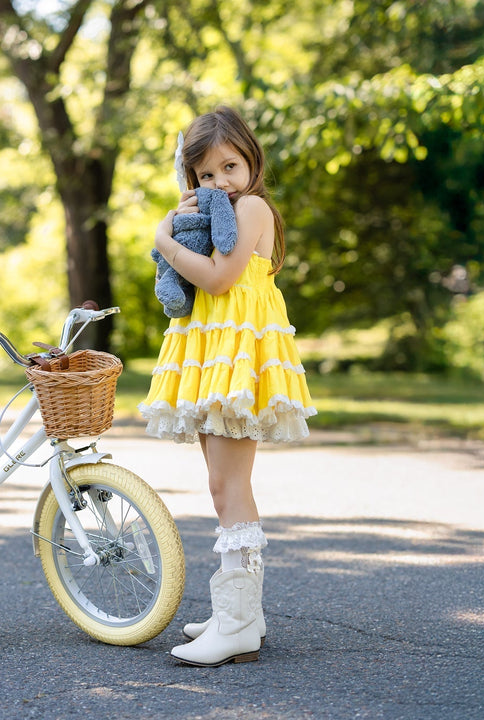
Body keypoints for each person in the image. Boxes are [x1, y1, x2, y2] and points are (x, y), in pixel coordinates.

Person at [139, 106, 316, 667]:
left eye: (230, 167)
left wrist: (164, 240)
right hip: (215, 352)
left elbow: (218, 279)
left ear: (251, 161)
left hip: (239, 359)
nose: (220, 183)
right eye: (206, 175)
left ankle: (236, 623)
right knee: (222, 483)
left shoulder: (253, 208)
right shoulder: (223, 211)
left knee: (227, 485)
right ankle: (242, 616)